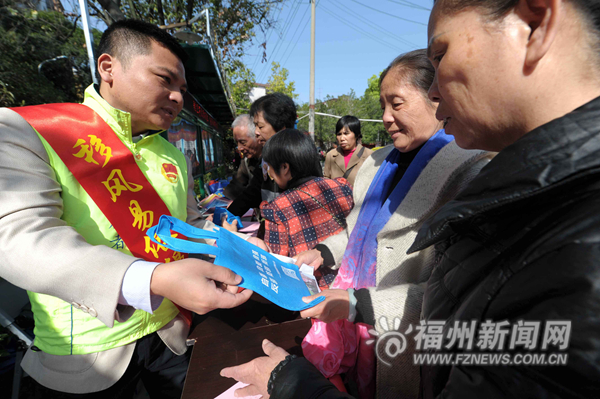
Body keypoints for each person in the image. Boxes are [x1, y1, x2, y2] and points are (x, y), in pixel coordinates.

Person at [220, 49, 493, 399]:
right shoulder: (378, 165)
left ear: (436, 98)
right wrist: (321, 252)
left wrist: (359, 303)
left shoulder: (468, 173)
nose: (386, 118)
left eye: (397, 104)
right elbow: (353, 232)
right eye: (383, 106)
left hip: (401, 331)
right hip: (354, 317)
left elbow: (457, 294)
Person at [0, 20, 252, 398]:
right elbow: (18, 239)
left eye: (181, 88)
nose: (178, 97)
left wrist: (239, 247)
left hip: (172, 337)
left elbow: (192, 223)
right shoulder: (28, 131)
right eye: (164, 79)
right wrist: (152, 279)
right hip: (88, 357)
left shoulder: (170, 154)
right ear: (108, 68)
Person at [410, 0, 600, 397]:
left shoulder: (581, 245)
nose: (432, 90)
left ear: (535, 23)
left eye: (441, 54)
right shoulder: (539, 204)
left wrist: (293, 385)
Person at [249, 129, 354, 258]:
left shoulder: (277, 209)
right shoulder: (342, 186)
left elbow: (276, 262)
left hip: (308, 277)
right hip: (350, 271)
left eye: (269, 167)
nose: (269, 173)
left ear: (284, 168)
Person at [227, 93, 297, 220]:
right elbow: (252, 193)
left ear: (281, 127)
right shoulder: (267, 158)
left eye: (260, 126)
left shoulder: (299, 156)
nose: (256, 133)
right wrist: (226, 216)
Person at [324, 115, 373, 187]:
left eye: (346, 133)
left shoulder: (370, 156)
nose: (342, 138)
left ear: (357, 135)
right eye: (339, 134)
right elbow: (326, 180)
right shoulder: (331, 155)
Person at [223, 114, 262, 201]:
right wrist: (222, 200)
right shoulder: (247, 161)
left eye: (243, 142)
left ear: (257, 136)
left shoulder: (273, 159)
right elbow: (237, 184)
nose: (239, 148)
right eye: (237, 143)